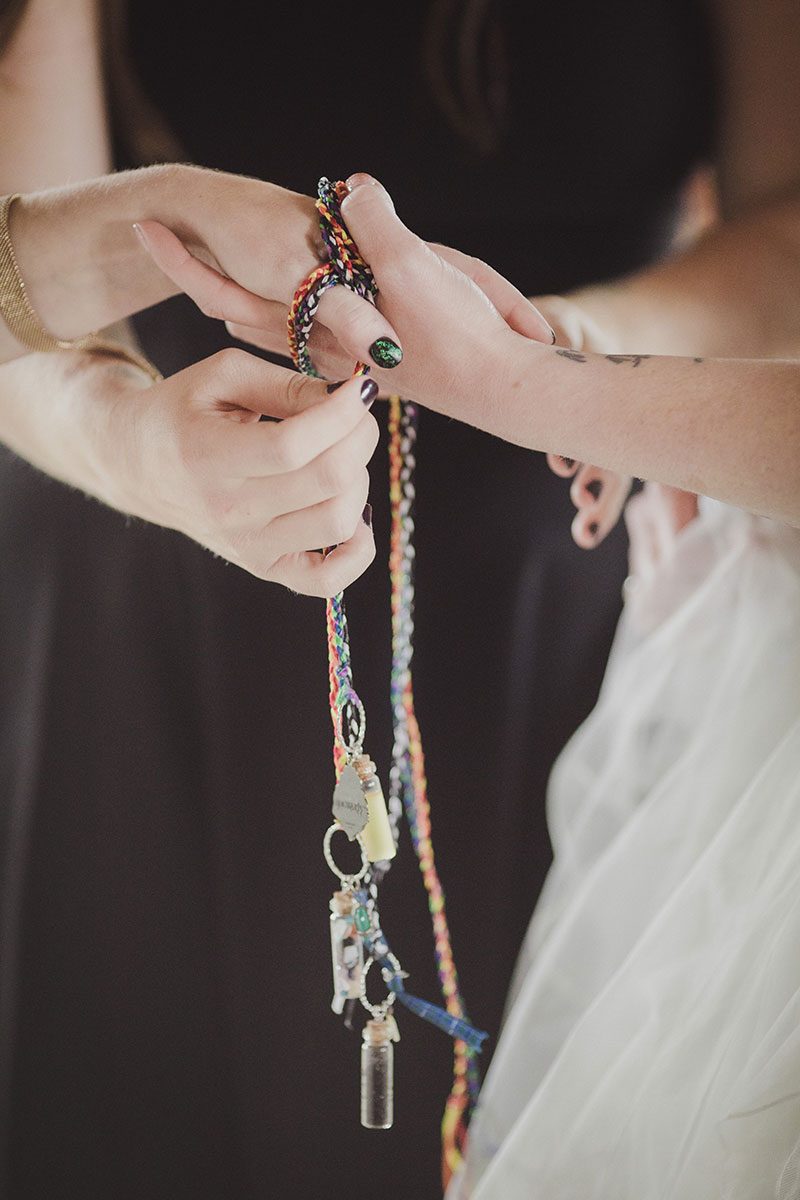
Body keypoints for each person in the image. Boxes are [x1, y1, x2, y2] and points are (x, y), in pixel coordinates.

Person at [3, 2, 788, 1197]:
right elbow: (20, 275)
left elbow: (784, 219)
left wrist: (567, 365)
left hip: (564, 594)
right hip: (144, 589)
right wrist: (129, 443)